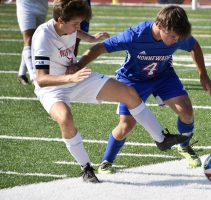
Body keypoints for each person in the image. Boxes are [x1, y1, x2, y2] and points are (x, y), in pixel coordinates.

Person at [31, 0, 188, 183]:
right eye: (75, 24)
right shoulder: (43, 35)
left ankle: (161, 139)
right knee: (65, 118)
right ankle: (86, 168)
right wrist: (69, 79)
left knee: (129, 94)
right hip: (53, 88)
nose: (78, 27)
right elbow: (41, 79)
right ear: (59, 20)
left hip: (75, 77)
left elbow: (74, 33)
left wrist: (90, 38)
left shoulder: (68, 27)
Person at [77, 5, 211, 174]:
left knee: (186, 111)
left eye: (178, 37)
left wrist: (203, 74)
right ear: (160, 25)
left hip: (163, 76)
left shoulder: (177, 35)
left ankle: (184, 147)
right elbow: (100, 48)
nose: (176, 40)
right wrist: (78, 65)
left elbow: (194, 46)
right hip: (133, 80)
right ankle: (107, 161)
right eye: (172, 36)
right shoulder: (135, 35)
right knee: (126, 126)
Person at [16, 0, 48, 85]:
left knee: (35, 40)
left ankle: (21, 73)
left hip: (42, 6)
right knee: (28, 39)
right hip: (26, 5)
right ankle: (33, 76)